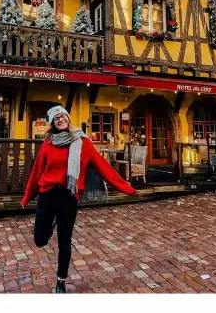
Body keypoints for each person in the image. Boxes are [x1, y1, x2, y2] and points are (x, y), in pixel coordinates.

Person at [21, 106, 137, 294]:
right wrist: (27, 197)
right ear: (52, 123)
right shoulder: (48, 144)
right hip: (48, 194)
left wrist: (127, 189)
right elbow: (36, 173)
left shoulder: (83, 143)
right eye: (56, 118)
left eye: (63, 116)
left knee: (64, 241)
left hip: (68, 196)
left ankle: (61, 280)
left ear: (68, 118)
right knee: (40, 240)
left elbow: (104, 168)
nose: (60, 120)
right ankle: (50, 224)